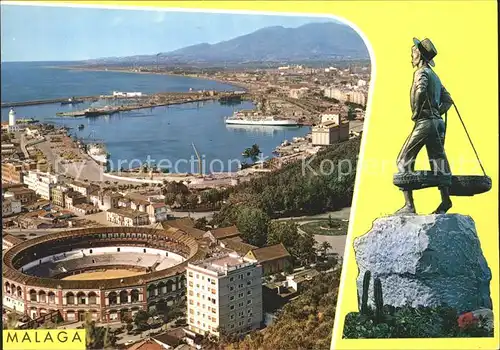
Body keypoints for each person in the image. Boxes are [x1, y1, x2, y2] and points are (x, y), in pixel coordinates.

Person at [395, 38, 454, 215]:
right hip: (437, 122)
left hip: (425, 122)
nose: (411, 57)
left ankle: (409, 206)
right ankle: (445, 201)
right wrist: (437, 111)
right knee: (438, 161)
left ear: (419, 55)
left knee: (403, 160)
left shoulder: (421, 73)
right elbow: (448, 100)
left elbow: (420, 91)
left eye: (412, 53)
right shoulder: (435, 76)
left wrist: (419, 112)